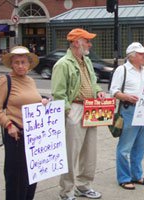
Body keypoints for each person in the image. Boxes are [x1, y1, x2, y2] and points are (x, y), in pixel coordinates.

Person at [51, 28, 105, 200]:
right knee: (71, 152)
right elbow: (58, 93)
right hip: (74, 108)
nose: (90, 44)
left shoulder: (86, 61)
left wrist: (98, 92)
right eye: (87, 40)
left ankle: (84, 186)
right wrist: (68, 113)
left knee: (90, 152)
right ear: (76, 42)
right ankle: (66, 191)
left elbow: (93, 82)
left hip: (91, 108)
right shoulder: (63, 64)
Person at [0, 46, 49, 200]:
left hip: (34, 135)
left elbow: (33, 99)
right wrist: (8, 126)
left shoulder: (30, 81)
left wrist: (43, 101)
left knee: (31, 177)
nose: (20, 66)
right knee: (16, 178)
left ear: (29, 64)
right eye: (16, 62)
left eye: (23, 62)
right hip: (16, 135)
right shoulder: (5, 80)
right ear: (11, 64)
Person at [110, 42, 144, 190]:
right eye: (141, 54)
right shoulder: (122, 70)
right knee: (125, 147)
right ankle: (124, 177)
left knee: (140, 146)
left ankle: (136, 175)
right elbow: (113, 91)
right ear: (132, 56)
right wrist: (127, 97)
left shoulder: (143, 70)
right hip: (129, 110)